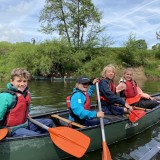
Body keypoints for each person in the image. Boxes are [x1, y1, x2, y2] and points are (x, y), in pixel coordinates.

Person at [0, 68, 53, 137]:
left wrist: (26, 114)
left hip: (25, 124)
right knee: (36, 136)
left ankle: (32, 135)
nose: (22, 84)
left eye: (24, 81)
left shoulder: (26, 94)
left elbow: (28, 109)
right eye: (19, 81)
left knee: (49, 122)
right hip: (12, 129)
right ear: (11, 81)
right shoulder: (5, 96)